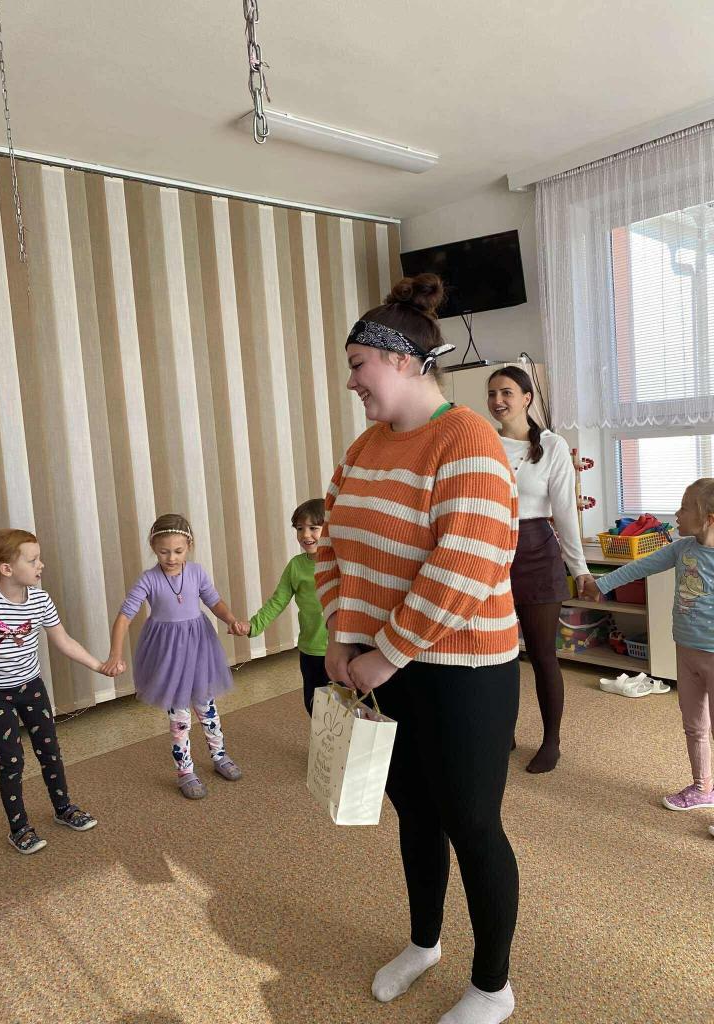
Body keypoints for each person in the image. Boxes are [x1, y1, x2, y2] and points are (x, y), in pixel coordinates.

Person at [317, 274, 520, 1024]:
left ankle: (493, 987)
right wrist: (342, 633)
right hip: (386, 664)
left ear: (401, 360)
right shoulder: (364, 448)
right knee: (414, 812)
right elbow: (333, 547)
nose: (351, 381)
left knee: (472, 823)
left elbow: (464, 564)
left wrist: (386, 652)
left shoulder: (467, 438)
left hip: (466, 670)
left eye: (358, 365)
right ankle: (424, 943)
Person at [0, 529, 116, 854]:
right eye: (33, 560)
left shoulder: (40, 600)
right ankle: (19, 828)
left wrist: (99, 665)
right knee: (12, 761)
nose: (41, 565)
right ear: (6, 568)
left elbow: (63, 640)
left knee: (50, 751)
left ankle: (63, 808)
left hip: (31, 686)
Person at [583, 479, 714, 834]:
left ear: (709, 518)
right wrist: (601, 583)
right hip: (686, 651)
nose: (676, 514)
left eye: (684, 507)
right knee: (694, 724)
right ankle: (703, 787)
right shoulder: (682, 548)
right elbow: (641, 566)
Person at [487, 365, 590, 774]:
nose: (497, 400)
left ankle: (551, 742)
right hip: (491, 552)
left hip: (537, 553)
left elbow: (564, 511)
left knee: (543, 654)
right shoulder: (484, 443)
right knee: (498, 654)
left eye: (506, 392)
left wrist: (579, 569)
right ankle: (503, 733)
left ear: (527, 398)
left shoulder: (552, 445)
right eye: (492, 393)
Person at [103, 514, 242, 799]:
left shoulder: (197, 572)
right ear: (154, 548)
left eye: (178, 551)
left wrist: (230, 619)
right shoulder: (149, 579)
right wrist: (114, 655)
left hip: (199, 648)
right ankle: (185, 771)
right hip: (169, 655)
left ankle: (219, 755)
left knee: (207, 708)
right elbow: (124, 616)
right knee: (180, 717)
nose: (171, 558)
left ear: (189, 546)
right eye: (164, 551)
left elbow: (214, 601)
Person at [231, 498, 329, 714]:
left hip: (342, 648)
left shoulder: (342, 562)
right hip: (311, 649)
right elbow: (278, 601)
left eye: (313, 528)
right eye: (300, 529)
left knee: (348, 707)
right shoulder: (296, 566)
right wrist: (254, 625)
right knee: (314, 705)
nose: (305, 535)